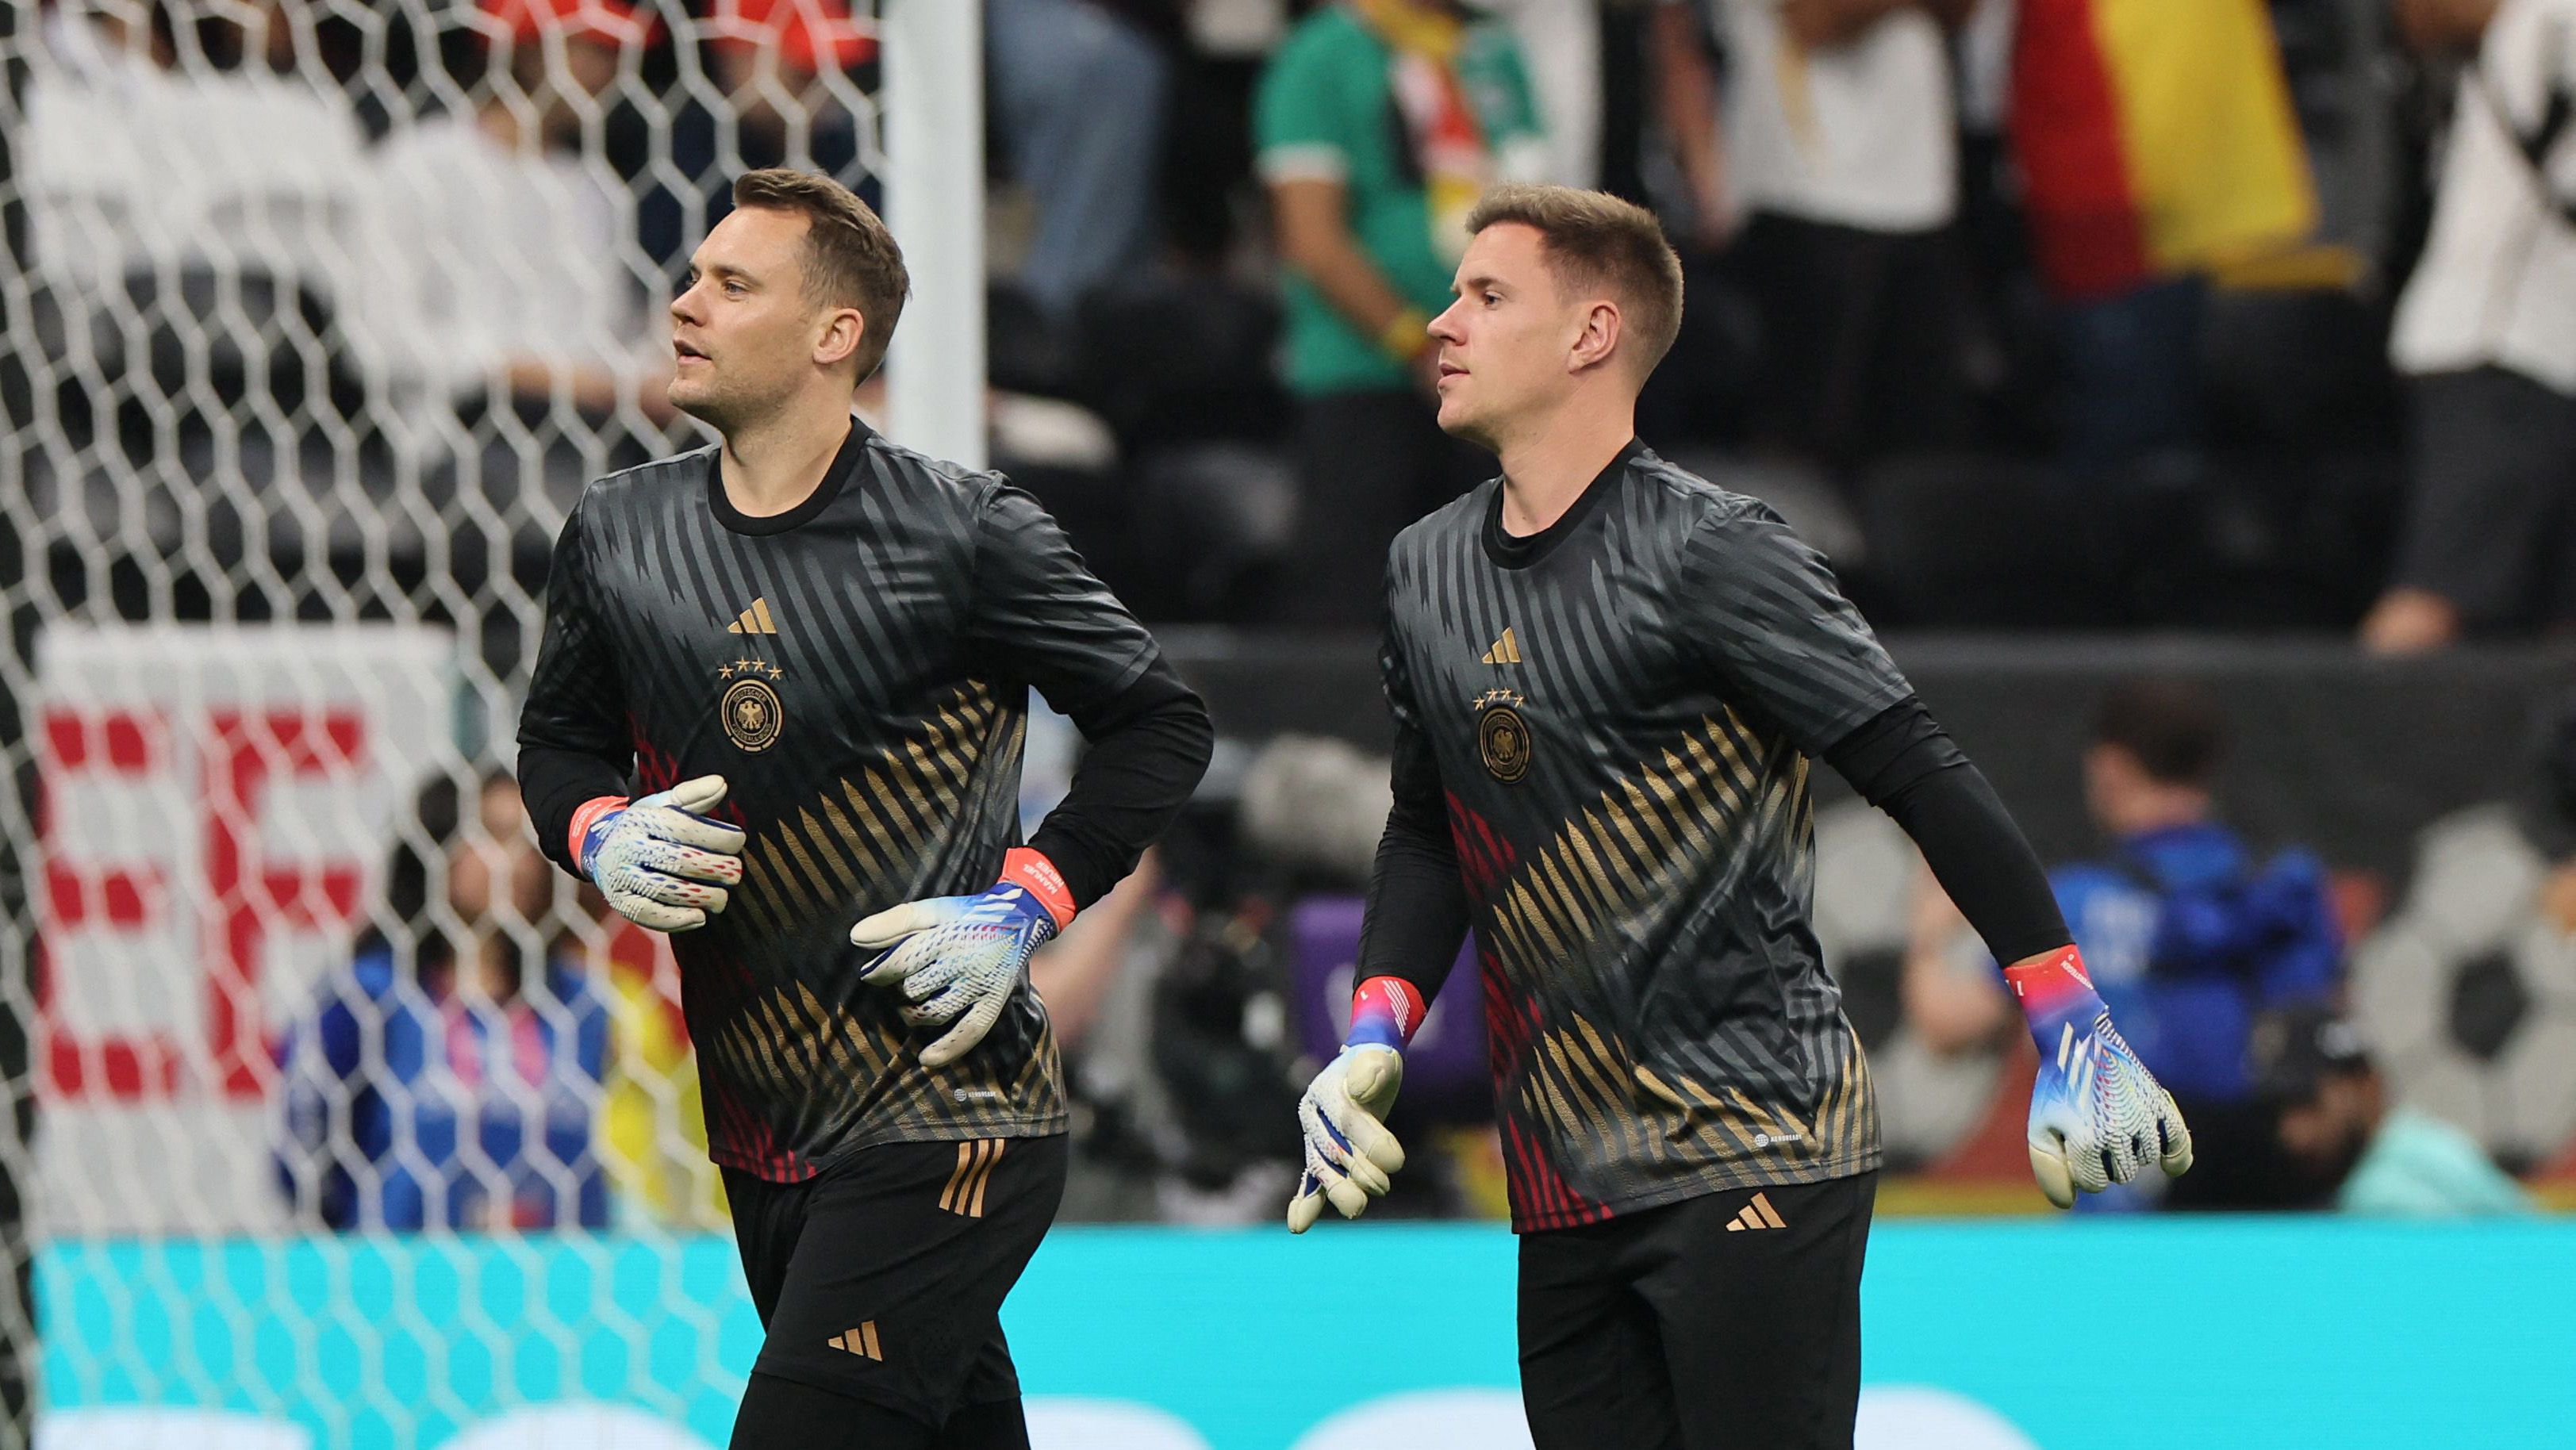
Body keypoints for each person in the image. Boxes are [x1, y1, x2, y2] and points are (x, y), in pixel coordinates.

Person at [1284, 183, 2190, 1448]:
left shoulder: (1714, 551)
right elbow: (1428, 827)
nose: (1441, 323)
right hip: (1556, 1172)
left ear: (1592, 333)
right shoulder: (1420, 566)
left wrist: (2067, 1015)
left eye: (1485, 296)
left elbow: (1916, 768)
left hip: (1753, 1139)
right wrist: (1375, 1026)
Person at [514, 169, 1214, 1450]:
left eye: (733, 284)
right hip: (761, 1130)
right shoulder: (620, 532)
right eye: (691, 276)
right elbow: (557, 742)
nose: (685, 303)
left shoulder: (963, 532)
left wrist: (1027, 899)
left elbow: (1160, 723)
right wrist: (597, 830)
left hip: (949, 1114)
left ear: (834, 333)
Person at [1904, 677, 2340, 1210]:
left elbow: (1946, 1027)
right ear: (2206, 767)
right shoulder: (2279, 893)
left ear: (2109, 768)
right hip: (2261, 1214)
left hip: (2122, 1228)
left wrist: (1927, 930)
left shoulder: (2072, 907)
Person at [1255, 0, 1550, 627]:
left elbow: (1538, 213)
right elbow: (1313, 238)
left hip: (1495, 383)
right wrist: (1420, 346)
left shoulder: (1491, 52)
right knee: (1350, 604)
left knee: (1497, 609)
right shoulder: (1318, 55)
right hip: (1362, 377)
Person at [1649, 0, 1977, 473]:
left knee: (1927, 456)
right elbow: (1813, 19)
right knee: (1806, 467)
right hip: (1807, 198)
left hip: (1925, 197)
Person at [276, 769, 612, 1231]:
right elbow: (305, 1154)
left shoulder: (579, 1005)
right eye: (492, 836)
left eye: (528, 844)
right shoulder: (369, 997)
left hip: (555, 1282)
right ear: (436, 847)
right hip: (403, 1281)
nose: (516, 862)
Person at [2357, 0, 2576, 653]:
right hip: (2503, 356)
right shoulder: (2552, 20)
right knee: (2435, 605)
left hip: (2553, 359)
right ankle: (2347, 752)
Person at [2255, 1004, 2534, 1215]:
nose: (2291, 1132)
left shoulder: (2381, 1193)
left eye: (2307, 1102)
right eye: (2279, 1111)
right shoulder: (2419, 1140)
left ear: (2366, 1085)